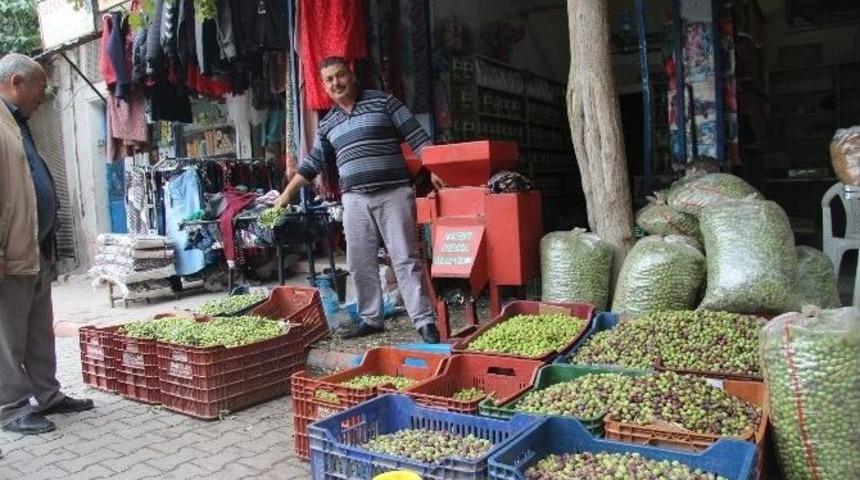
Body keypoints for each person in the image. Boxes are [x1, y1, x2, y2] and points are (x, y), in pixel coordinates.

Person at [274, 56, 444, 344]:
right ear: (324, 87)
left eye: (339, 76)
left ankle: (424, 321)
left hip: (393, 192)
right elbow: (312, 163)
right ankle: (370, 318)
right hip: (354, 200)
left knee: (405, 258)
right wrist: (287, 194)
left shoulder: (384, 102)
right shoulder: (328, 124)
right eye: (329, 80)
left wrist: (437, 169)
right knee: (359, 261)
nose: (335, 83)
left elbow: (418, 138)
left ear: (351, 75)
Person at [0, 53, 94, 435]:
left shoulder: (18, 122)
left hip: (34, 246)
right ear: (17, 82)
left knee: (39, 326)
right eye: (40, 87)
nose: (45, 94)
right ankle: (11, 406)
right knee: (7, 332)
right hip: (10, 251)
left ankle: (48, 394)